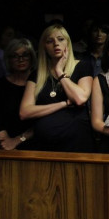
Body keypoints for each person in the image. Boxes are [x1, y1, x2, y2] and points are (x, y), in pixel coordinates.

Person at [19, 24, 95, 152]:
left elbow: (80, 99)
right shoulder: (37, 74)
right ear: (44, 46)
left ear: (68, 43)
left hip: (77, 145)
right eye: (50, 41)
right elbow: (24, 112)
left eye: (60, 39)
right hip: (44, 147)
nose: (56, 44)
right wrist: (63, 104)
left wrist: (59, 72)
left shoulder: (82, 66)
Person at [0, 38, 37, 150]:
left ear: (32, 57)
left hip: (34, 142)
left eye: (25, 55)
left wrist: (18, 140)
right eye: (15, 56)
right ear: (8, 59)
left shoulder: (40, 84)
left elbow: (43, 122)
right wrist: (6, 141)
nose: (21, 59)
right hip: (3, 144)